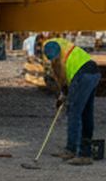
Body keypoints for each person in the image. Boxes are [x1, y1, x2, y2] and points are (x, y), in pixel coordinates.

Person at [40, 34, 102, 165]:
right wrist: (64, 93)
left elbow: (61, 75)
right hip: (94, 73)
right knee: (85, 113)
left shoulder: (54, 49)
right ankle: (78, 150)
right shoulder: (63, 47)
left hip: (82, 75)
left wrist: (63, 95)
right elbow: (64, 78)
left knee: (74, 112)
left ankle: (79, 153)